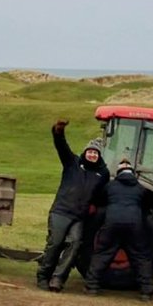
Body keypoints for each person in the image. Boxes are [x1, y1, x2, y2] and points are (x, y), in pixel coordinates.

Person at [36, 119, 110, 291]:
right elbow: (61, 146)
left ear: (99, 156)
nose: (92, 155)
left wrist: (94, 206)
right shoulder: (72, 163)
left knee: (75, 244)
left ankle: (58, 278)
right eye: (90, 152)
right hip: (61, 211)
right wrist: (58, 131)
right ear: (85, 152)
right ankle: (43, 276)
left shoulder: (102, 173)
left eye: (96, 153)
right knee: (55, 244)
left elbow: (101, 194)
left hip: (79, 216)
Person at [84, 158, 153, 301]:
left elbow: (100, 200)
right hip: (134, 225)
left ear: (118, 172)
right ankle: (146, 292)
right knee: (140, 256)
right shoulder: (140, 188)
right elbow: (147, 207)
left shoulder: (110, 186)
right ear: (133, 173)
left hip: (112, 223)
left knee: (103, 253)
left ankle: (91, 286)